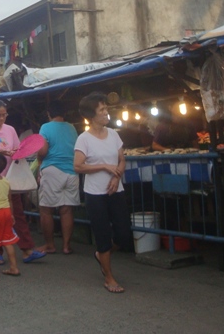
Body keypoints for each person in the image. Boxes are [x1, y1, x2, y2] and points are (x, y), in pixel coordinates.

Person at [0, 99, 46, 265]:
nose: (1, 118)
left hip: (10, 179)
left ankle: (27, 249)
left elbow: (18, 149)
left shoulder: (10, 129)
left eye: (4, 115)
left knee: (16, 214)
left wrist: (14, 152)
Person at [74, 91, 132, 294]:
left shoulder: (114, 134)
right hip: (95, 193)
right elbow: (78, 166)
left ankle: (101, 254)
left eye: (106, 108)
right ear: (92, 115)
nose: (106, 113)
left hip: (116, 190)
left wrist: (116, 176)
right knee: (102, 235)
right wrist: (104, 167)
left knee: (124, 234)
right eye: (102, 110)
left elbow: (121, 160)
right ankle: (108, 277)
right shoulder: (84, 139)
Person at [37, 100, 79, 255]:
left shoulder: (46, 127)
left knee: (46, 210)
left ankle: (50, 245)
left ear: (49, 114)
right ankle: (66, 246)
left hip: (52, 169)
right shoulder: (72, 128)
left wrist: (38, 157)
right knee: (66, 209)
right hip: (71, 171)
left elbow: (42, 151)